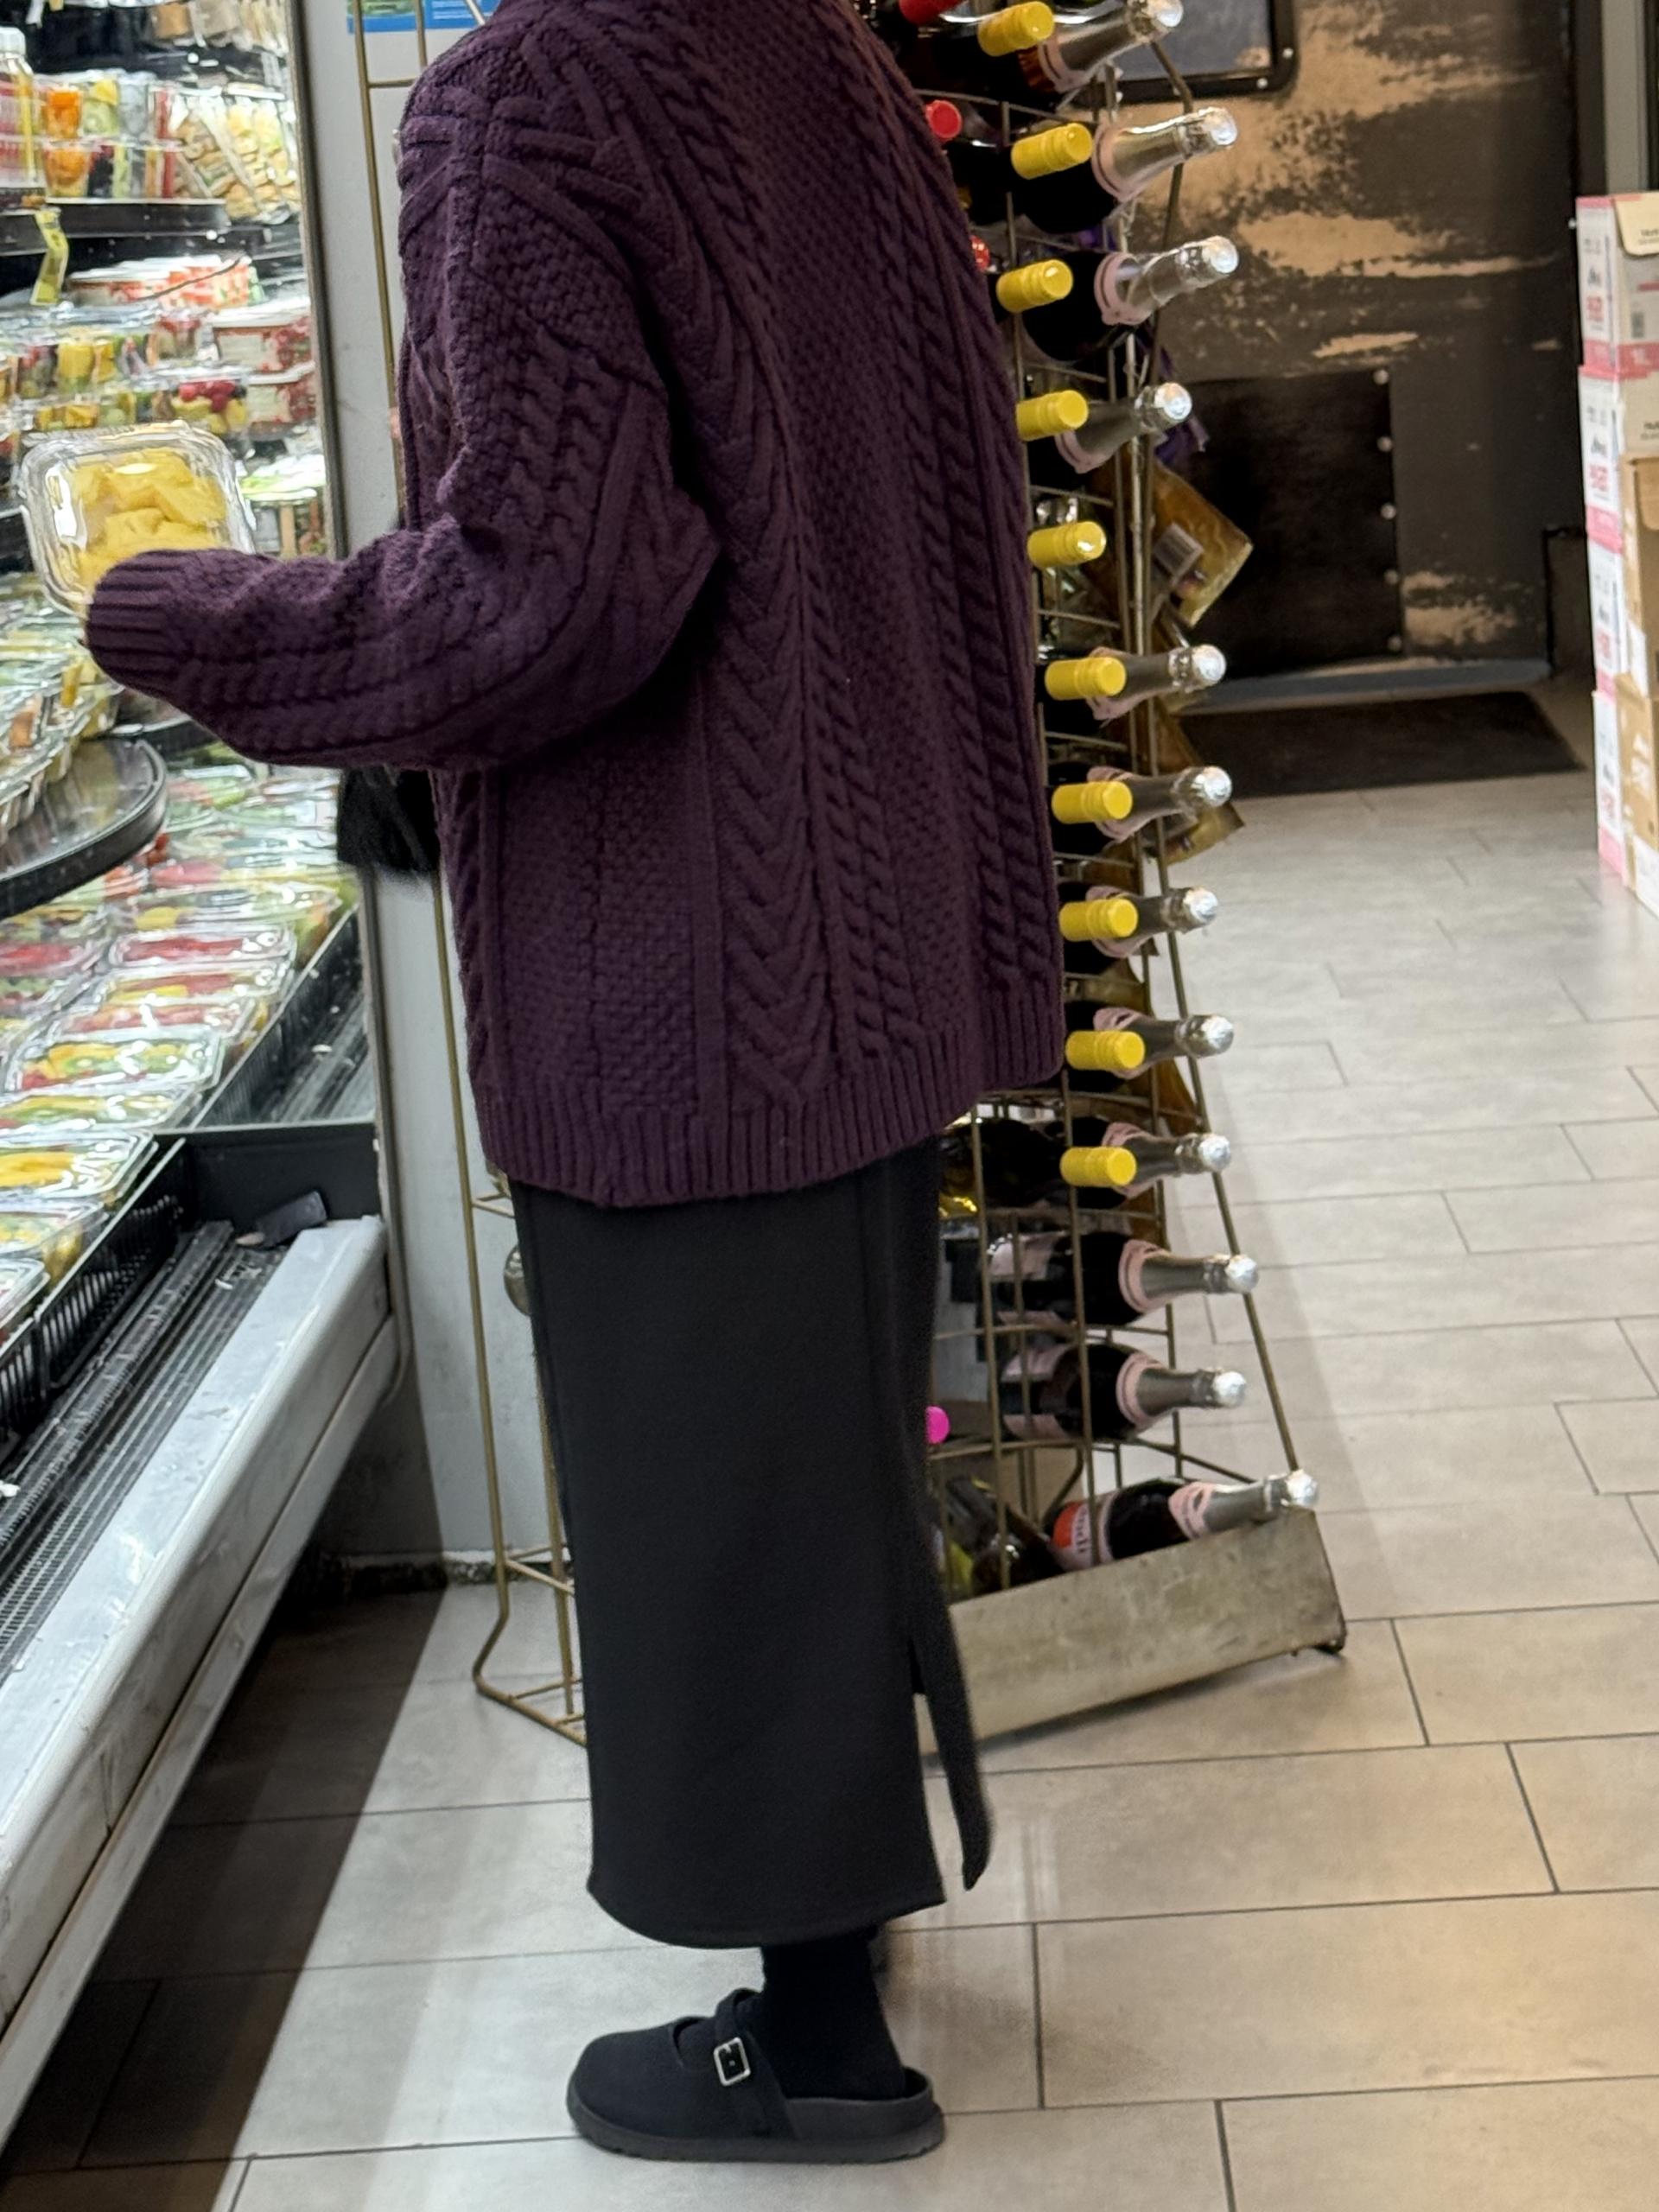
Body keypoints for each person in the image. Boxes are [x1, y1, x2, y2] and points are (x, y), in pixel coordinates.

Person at [86, 0, 1061, 2167]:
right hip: (864, 899)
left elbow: (556, 584)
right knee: (821, 1461)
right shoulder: (807, 43)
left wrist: (203, 621)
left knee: (715, 1493)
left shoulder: (523, 92)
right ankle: (841, 1937)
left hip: (693, 951)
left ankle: (819, 2053)